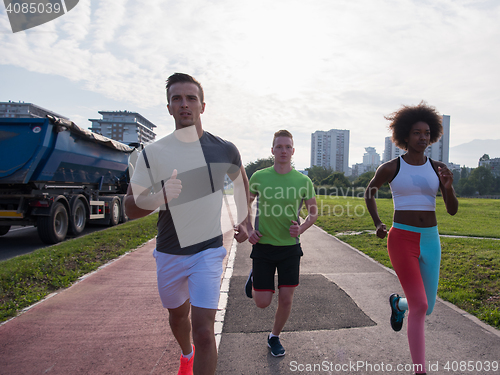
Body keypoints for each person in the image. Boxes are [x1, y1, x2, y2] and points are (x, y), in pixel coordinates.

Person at [124, 73, 249, 375]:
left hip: (207, 251)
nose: (184, 104)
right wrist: (158, 198)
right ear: (168, 107)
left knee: (205, 331)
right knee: (179, 317)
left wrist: (245, 220)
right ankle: (185, 354)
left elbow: (242, 185)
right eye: (177, 99)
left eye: (191, 98)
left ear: (202, 106)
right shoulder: (152, 153)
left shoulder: (225, 149)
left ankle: (196, 354)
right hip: (169, 251)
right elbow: (130, 208)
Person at [365, 101, 458, 375]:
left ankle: (397, 304)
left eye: (427, 133)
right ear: (405, 135)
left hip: (430, 239)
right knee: (420, 305)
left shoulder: (438, 168)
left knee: (425, 308)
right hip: (401, 239)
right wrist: (378, 222)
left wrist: (449, 189)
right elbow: (370, 191)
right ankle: (420, 371)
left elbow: (452, 210)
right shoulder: (391, 167)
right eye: (417, 132)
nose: (423, 137)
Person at [244, 130, 318, 357]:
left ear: (293, 151)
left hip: (290, 249)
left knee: (286, 298)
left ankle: (274, 336)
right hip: (263, 247)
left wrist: (301, 228)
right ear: (272, 150)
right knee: (262, 302)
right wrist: (248, 230)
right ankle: (255, 277)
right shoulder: (259, 177)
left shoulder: (303, 181)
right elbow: (243, 207)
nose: (283, 151)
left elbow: (313, 213)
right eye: (279, 146)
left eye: (288, 147)